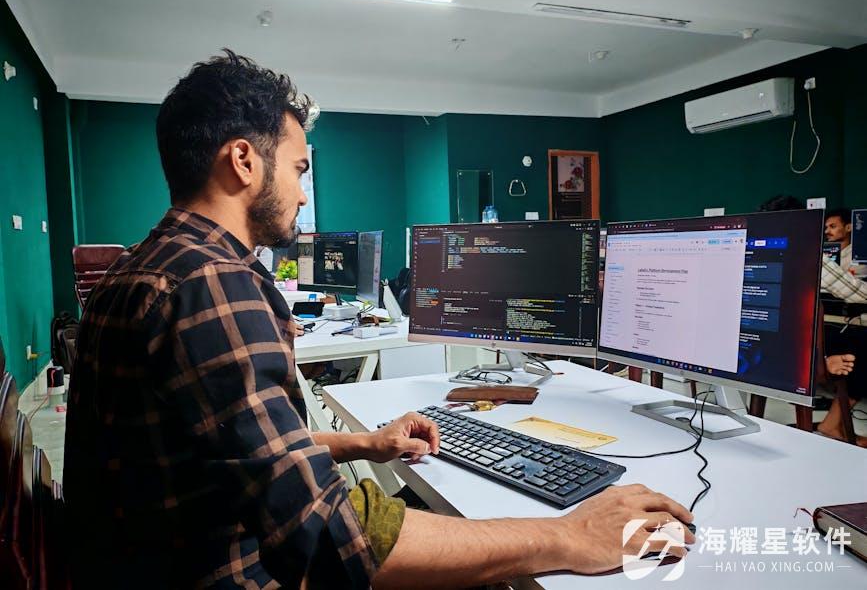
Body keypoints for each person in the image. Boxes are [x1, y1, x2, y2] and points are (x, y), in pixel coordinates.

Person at [64, 51, 694, 588]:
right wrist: (565, 535)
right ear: (243, 162)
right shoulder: (215, 285)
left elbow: (223, 452)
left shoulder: (135, 270)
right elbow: (331, 538)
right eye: (299, 168)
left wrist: (361, 443)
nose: (305, 193)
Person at [758, 195, 866, 446]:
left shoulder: (755, 250)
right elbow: (856, 293)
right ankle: (833, 424)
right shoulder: (809, 253)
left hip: (763, 348)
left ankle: (832, 419)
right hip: (798, 351)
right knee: (861, 344)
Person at [825, 207, 867, 279]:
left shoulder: (859, 256)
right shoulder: (823, 253)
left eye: (832, 226)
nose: (826, 231)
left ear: (848, 228)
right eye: (826, 227)